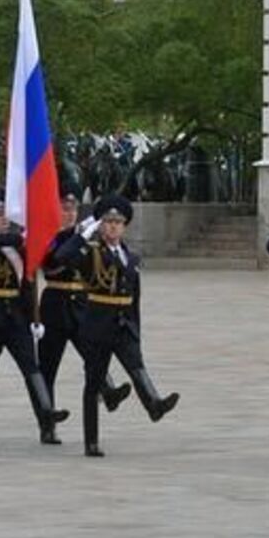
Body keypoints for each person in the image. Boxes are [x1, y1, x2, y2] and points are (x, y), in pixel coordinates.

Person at [52, 194, 179, 457]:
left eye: (118, 222)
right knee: (94, 381)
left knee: (136, 365)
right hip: (98, 322)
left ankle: (153, 404)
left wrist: (136, 331)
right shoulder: (91, 252)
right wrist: (82, 236)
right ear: (100, 225)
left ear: (125, 226)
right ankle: (91, 441)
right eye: (108, 222)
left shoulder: (130, 257)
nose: (113, 226)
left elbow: (135, 298)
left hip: (124, 323)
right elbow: (62, 257)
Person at [0, 189, 69, 446]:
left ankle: (46, 417)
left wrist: (34, 316)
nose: (2, 218)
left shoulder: (16, 244)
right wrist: (19, 237)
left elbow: (27, 282)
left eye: (6, 214)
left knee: (31, 367)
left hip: (15, 314)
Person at [37, 182, 131, 412]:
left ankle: (107, 389)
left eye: (73, 208)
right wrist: (78, 235)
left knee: (93, 352)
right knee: (49, 363)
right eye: (64, 208)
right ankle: (47, 419)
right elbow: (54, 261)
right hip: (55, 301)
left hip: (80, 301)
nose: (69, 213)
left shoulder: (85, 234)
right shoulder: (48, 236)